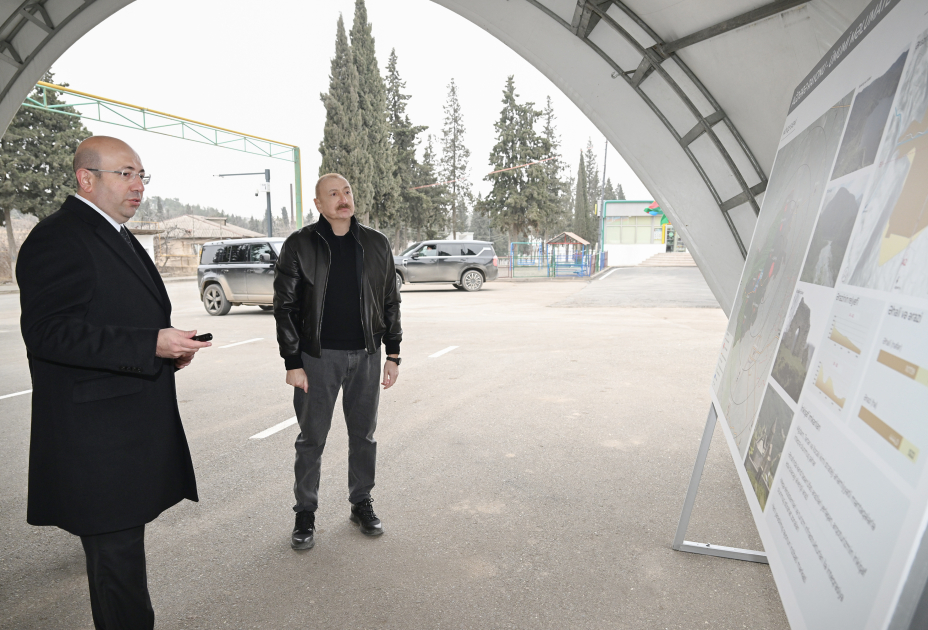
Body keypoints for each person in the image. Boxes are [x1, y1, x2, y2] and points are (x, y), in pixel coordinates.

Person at [16, 136, 210, 629]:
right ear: (86, 179)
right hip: (97, 443)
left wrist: (164, 351)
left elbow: (112, 317)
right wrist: (148, 344)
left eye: (142, 175)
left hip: (122, 437)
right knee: (118, 577)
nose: (138, 185)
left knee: (123, 568)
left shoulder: (113, 233)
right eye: (125, 173)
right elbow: (48, 333)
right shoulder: (59, 237)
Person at [273, 172, 402, 550]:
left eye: (346, 191)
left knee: (363, 435)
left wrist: (393, 352)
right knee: (311, 438)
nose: (343, 198)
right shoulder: (299, 245)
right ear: (318, 204)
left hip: (367, 354)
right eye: (333, 193)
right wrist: (292, 362)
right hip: (317, 357)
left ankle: (361, 502)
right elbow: (285, 307)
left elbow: (390, 300)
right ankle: (305, 511)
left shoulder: (376, 243)